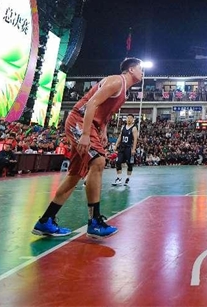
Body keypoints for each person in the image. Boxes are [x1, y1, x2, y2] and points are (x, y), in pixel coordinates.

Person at [32, 58, 143, 239]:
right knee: (98, 161)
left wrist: (103, 130)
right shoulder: (117, 81)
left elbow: (104, 111)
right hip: (80, 121)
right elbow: (91, 103)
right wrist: (84, 134)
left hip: (91, 125)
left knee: (75, 175)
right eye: (140, 68)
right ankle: (95, 222)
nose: (143, 72)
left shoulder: (124, 91)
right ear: (131, 69)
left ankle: (45, 221)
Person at [112, 114, 138, 186]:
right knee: (118, 162)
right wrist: (116, 145)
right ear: (126, 119)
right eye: (128, 118)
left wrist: (133, 149)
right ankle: (119, 178)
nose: (129, 119)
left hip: (128, 148)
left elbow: (135, 139)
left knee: (129, 164)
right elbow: (120, 137)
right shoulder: (123, 127)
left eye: (130, 118)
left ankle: (128, 178)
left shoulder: (134, 128)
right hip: (122, 147)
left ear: (133, 120)